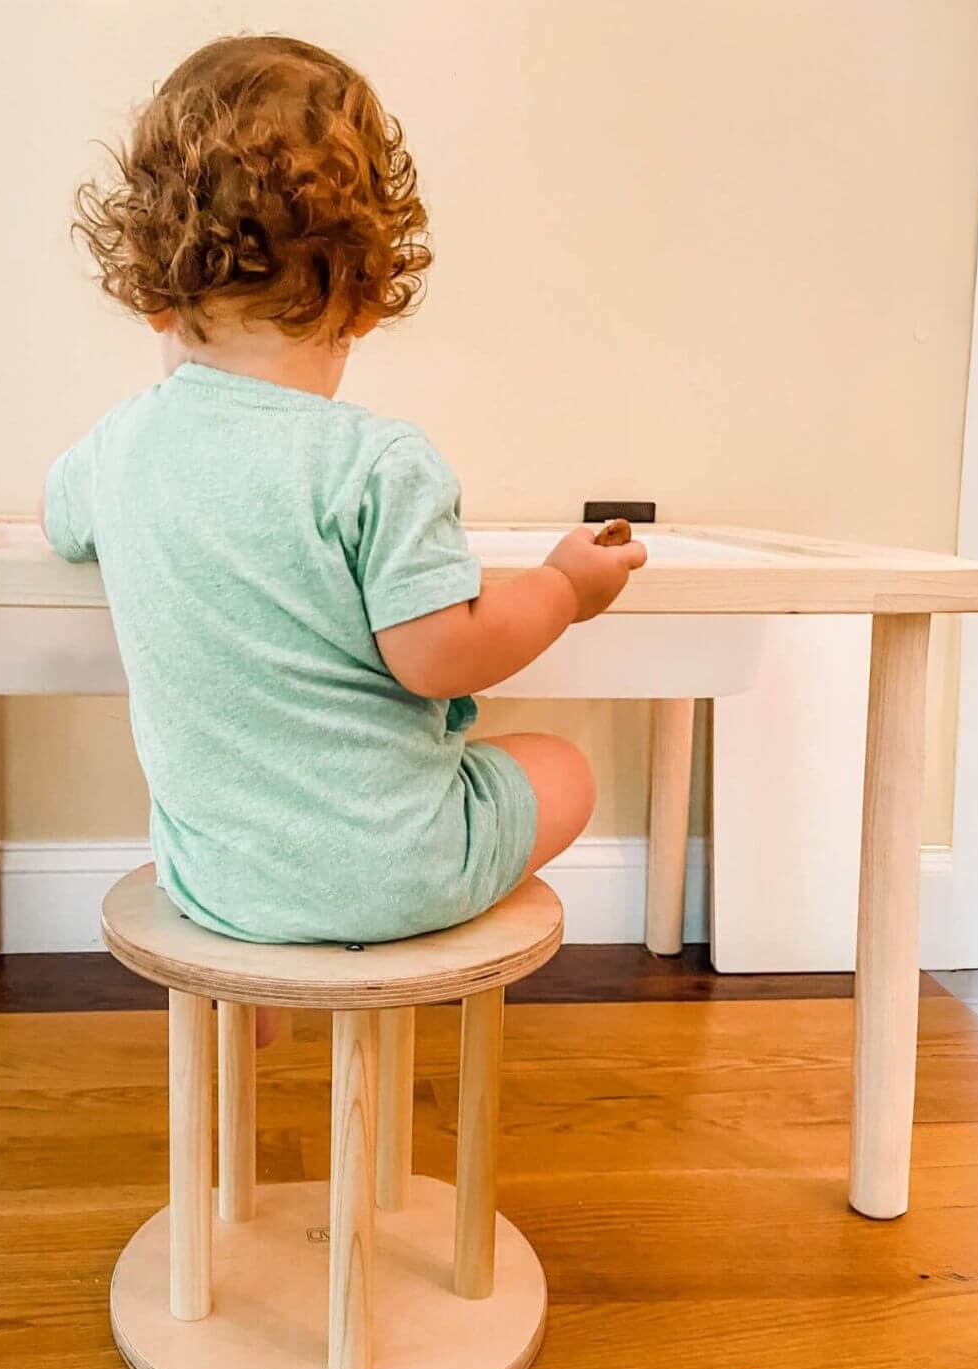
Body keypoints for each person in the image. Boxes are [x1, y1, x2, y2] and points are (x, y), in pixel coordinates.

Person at [43, 35, 646, 1041]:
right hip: (397, 867)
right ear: (367, 297)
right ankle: (366, 933)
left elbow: (60, 522)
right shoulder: (377, 462)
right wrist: (562, 587)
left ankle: (271, 969)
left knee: (240, 808)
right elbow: (440, 654)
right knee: (560, 769)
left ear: (151, 291)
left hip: (220, 882)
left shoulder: (118, 450)